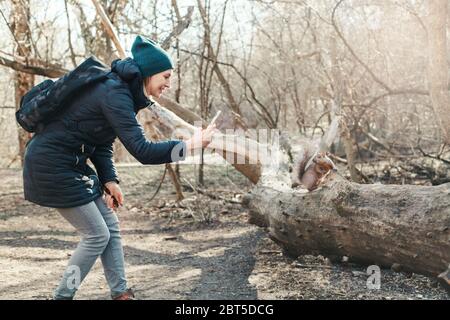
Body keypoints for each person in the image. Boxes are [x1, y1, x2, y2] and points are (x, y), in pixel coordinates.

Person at [22, 35, 215, 300]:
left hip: (70, 163)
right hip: (51, 166)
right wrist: (190, 145)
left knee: (109, 226)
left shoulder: (120, 91)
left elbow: (101, 142)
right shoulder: (115, 93)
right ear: (148, 73)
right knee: (96, 235)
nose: (169, 84)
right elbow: (143, 152)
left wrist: (110, 179)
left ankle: (121, 292)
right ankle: (63, 296)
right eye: (166, 77)